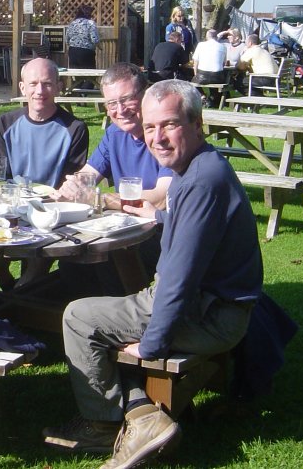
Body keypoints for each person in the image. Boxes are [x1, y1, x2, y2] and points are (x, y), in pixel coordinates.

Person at [43, 80, 263, 469]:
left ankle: (105, 424)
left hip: (208, 316)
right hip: (213, 307)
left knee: (78, 317)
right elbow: (194, 231)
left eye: (169, 125)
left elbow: (179, 281)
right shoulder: (200, 166)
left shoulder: (201, 181)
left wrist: (152, 345)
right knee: (102, 305)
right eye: (150, 127)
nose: (157, 138)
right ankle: (140, 411)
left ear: (197, 124)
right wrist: (160, 217)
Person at [0, 57, 89, 289]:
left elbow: (70, 184)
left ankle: (19, 297)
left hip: (51, 212)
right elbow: (0, 177)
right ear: (22, 87)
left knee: (35, 266)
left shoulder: (74, 128)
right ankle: (12, 292)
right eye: (33, 84)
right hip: (13, 208)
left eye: (47, 84)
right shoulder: (5, 123)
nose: (40, 91)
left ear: (59, 87)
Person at [56, 63, 172, 213]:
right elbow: (87, 177)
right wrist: (71, 188)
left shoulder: (164, 136)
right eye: (112, 103)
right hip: (126, 222)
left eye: (127, 99)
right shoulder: (114, 134)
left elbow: (161, 198)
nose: (121, 110)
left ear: (146, 95)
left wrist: (100, 199)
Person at [66, 4, 100, 69]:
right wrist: (100, 47)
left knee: (74, 73)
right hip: (86, 52)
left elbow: (67, 39)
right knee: (88, 73)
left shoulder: (72, 23)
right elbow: (94, 39)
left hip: (73, 51)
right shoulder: (90, 23)